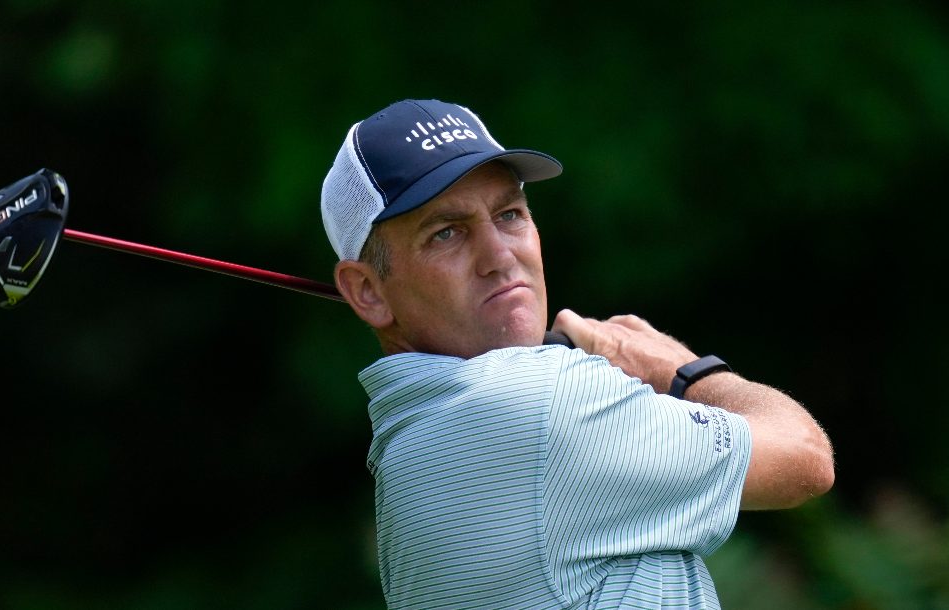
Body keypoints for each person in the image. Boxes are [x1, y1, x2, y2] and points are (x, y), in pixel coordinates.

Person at [320, 98, 835, 609]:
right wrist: (683, 371)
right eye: (446, 233)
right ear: (367, 291)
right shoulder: (546, 403)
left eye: (509, 214)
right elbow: (805, 459)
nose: (500, 256)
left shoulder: (407, 444)